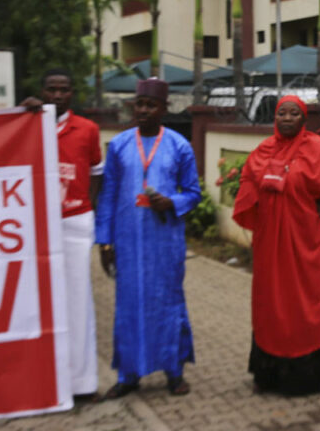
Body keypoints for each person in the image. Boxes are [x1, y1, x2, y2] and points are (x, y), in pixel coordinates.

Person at [232, 95, 320, 395]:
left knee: (309, 307)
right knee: (270, 306)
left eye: (293, 114)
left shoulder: (319, 150)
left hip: (307, 246)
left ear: (303, 119)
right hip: (269, 248)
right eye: (281, 114)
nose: (286, 119)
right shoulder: (262, 151)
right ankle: (268, 376)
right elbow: (248, 183)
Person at [95, 78, 200, 398]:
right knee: (129, 307)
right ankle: (128, 375)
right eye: (139, 103)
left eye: (150, 104)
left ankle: (173, 371)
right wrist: (105, 241)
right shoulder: (119, 145)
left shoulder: (179, 146)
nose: (142, 110)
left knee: (168, 303)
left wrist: (173, 202)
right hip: (127, 242)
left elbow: (193, 193)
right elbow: (108, 196)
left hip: (164, 241)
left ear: (163, 109)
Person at [21, 69, 103, 400]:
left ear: (72, 93)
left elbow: (97, 172)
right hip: (35, 226)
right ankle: (40, 380)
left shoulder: (87, 129)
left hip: (75, 221)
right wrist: (21, 112)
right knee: (36, 301)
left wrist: (88, 208)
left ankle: (82, 384)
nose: (57, 96)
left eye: (64, 90)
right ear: (42, 90)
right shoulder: (28, 124)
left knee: (78, 301)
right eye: (51, 89)